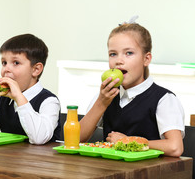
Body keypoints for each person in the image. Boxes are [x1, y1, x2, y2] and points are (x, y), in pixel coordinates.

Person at [79, 20, 185, 157]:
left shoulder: (164, 99)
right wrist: (101, 103)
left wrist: (128, 142)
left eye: (128, 53)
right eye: (113, 54)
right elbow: (76, 140)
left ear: (146, 59)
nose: (119, 60)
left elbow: (175, 147)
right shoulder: (105, 97)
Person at [0, 33, 61, 145]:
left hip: (40, 161)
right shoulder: (1, 99)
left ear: (36, 70)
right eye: (4, 63)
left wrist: (19, 98)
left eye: (16, 63)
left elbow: (39, 138)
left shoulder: (49, 101)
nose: (7, 69)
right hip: (7, 159)